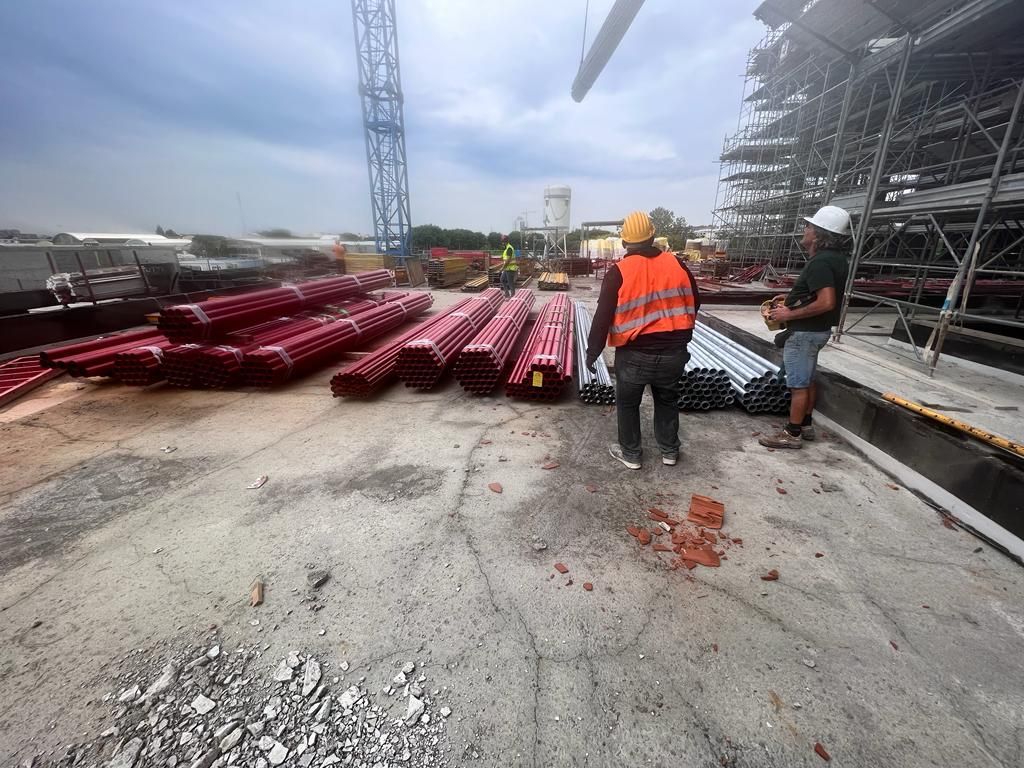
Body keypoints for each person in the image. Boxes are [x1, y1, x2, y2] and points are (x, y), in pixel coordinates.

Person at [586, 211, 701, 470]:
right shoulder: (677, 264)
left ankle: (631, 454)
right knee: (667, 400)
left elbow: (602, 316)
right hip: (674, 352)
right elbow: (695, 301)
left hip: (635, 354)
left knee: (628, 404)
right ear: (652, 236)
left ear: (625, 242)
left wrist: (593, 352)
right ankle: (670, 451)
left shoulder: (619, 271)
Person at [759, 205, 851, 449]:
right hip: (817, 330)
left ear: (820, 234)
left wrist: (790, 312)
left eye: (809, 227)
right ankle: (806, 424)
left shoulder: (820, 262)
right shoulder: (836, 260)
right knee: (808, 380)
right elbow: (818, 296)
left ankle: (792, 434)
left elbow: (826, 301)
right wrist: (790, 299)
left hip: (805, 333)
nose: (805, 230)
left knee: (798, 384)